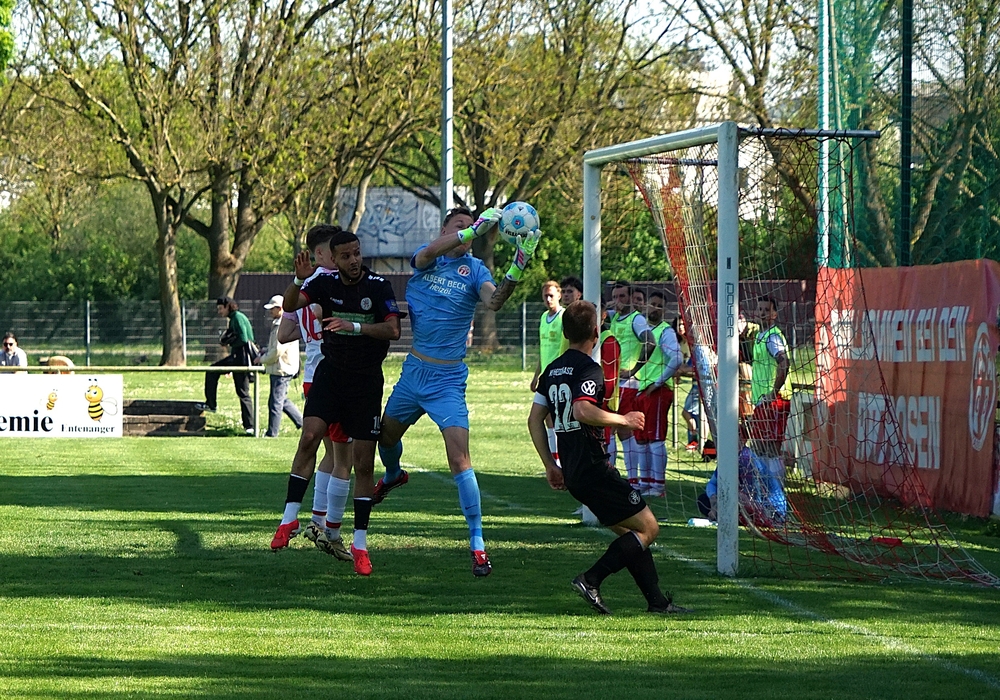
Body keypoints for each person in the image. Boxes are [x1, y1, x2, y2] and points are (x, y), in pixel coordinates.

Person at [374, 205, 540, 577]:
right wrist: (474, 229)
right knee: (385, 437)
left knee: (460, 460)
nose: (469, 232)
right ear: (445, 230)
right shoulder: (427, 258)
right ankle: (393, 474)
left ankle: (478, 543)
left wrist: (519, 263)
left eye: (473, 226)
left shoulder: (476, 270)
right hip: (414, 373)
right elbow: (429, 253)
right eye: (460, 226)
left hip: (447, 381)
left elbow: (494, 301)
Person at [528, 300, 690, 615]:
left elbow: (534, 419)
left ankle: (657, 602)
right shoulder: (590, 369)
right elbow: (582, 410)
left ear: (565, 332)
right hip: (593, 469)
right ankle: (591, 579)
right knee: (649, 528)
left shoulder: (552, 370)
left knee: (633, 534)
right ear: (595, 331)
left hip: (573, 469)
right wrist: (623, 419)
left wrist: (550, 464)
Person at [271, 226, 401, 577]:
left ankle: (359, 543)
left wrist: (354, 327)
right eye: (346, 255)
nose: (354, 260)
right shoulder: (323, 283)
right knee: (309, 438)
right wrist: (298, 281)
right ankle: (290, 519)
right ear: (334, 259)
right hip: (328, 375)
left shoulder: (378, 286)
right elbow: (290, 308)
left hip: (365, 382)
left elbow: (393, 330)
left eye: (357, 253)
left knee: (361, 463)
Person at [273, 226, 354, 562]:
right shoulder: (334, 283)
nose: (342, 257)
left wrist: (309, 328)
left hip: (311, 378)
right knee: (345, 458)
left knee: (329, 454)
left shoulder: (302, 286)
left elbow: (284, 333)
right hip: (336, 375)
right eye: (335, 252)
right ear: (320, 254)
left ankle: (313, 520)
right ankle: (327, 528)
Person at [634, 291, 683, 497]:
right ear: (646, 305)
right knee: (641, 439)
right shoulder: (643, 330)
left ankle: (658, 486)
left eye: (659, 306)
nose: (655, 308)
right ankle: (645, 482)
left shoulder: (665, 332)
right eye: (652, 304)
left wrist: (658, 382)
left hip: (658, 391)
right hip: (642, 389)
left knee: (655, 438)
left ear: (664, 310)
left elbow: (677, 358)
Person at [608, 282, 656, 489]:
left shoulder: (636, 319)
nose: (618, 301)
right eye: (615, 296)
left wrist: (634, 369)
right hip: (613, 383)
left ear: (630, 297)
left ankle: (631, 480)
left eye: (622, 296)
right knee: (613, 430)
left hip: (627, 384)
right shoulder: (614, 318)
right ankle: (621, 478)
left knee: (621, 430)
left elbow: (650, 342)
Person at [196, 297, 256, 435]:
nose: (219, 311)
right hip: (237, 356)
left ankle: (250, 426)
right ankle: (249, 426)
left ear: (228, 306)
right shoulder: (234, 318)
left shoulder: (237, 317)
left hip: (241, 357)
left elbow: (243, 339)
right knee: (215, 372)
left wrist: (229, 341)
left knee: (242, 392)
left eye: (220, 308)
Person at [748, 296, 791, 483]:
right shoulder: (760, 336)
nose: (762, 313)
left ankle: (776, 491)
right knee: (759, 447)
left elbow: (784, 362)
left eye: (767, 310)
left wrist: (774, 391)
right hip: (762, 400)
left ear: (774, 314)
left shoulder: (772, 337)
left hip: (774, 400)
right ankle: (765, 489)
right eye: (760, 309)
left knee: (770, 447)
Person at [530, 280, 568, 466]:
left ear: (559, 295)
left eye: (551, 295)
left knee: (557, 419)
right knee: (545, 419)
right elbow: (542, 350)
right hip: (545, 377)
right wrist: (536, 375)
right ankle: (555, 461)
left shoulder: (564, 316)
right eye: (545, 296)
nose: (548, 299)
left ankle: (561, 461)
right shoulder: (544, 317)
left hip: (559, 376)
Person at [259, 295, 303, 437]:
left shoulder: (281, 325)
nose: (270, 311)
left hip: (282, 369)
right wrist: (265, 351)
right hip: (283, 368)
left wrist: (262, 359)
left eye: (272, 309)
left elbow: (277, 351)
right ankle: (302, 422)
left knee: (275, 403)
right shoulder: (281, 323)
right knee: (282, 400)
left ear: (280, 308)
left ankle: (272, 433)